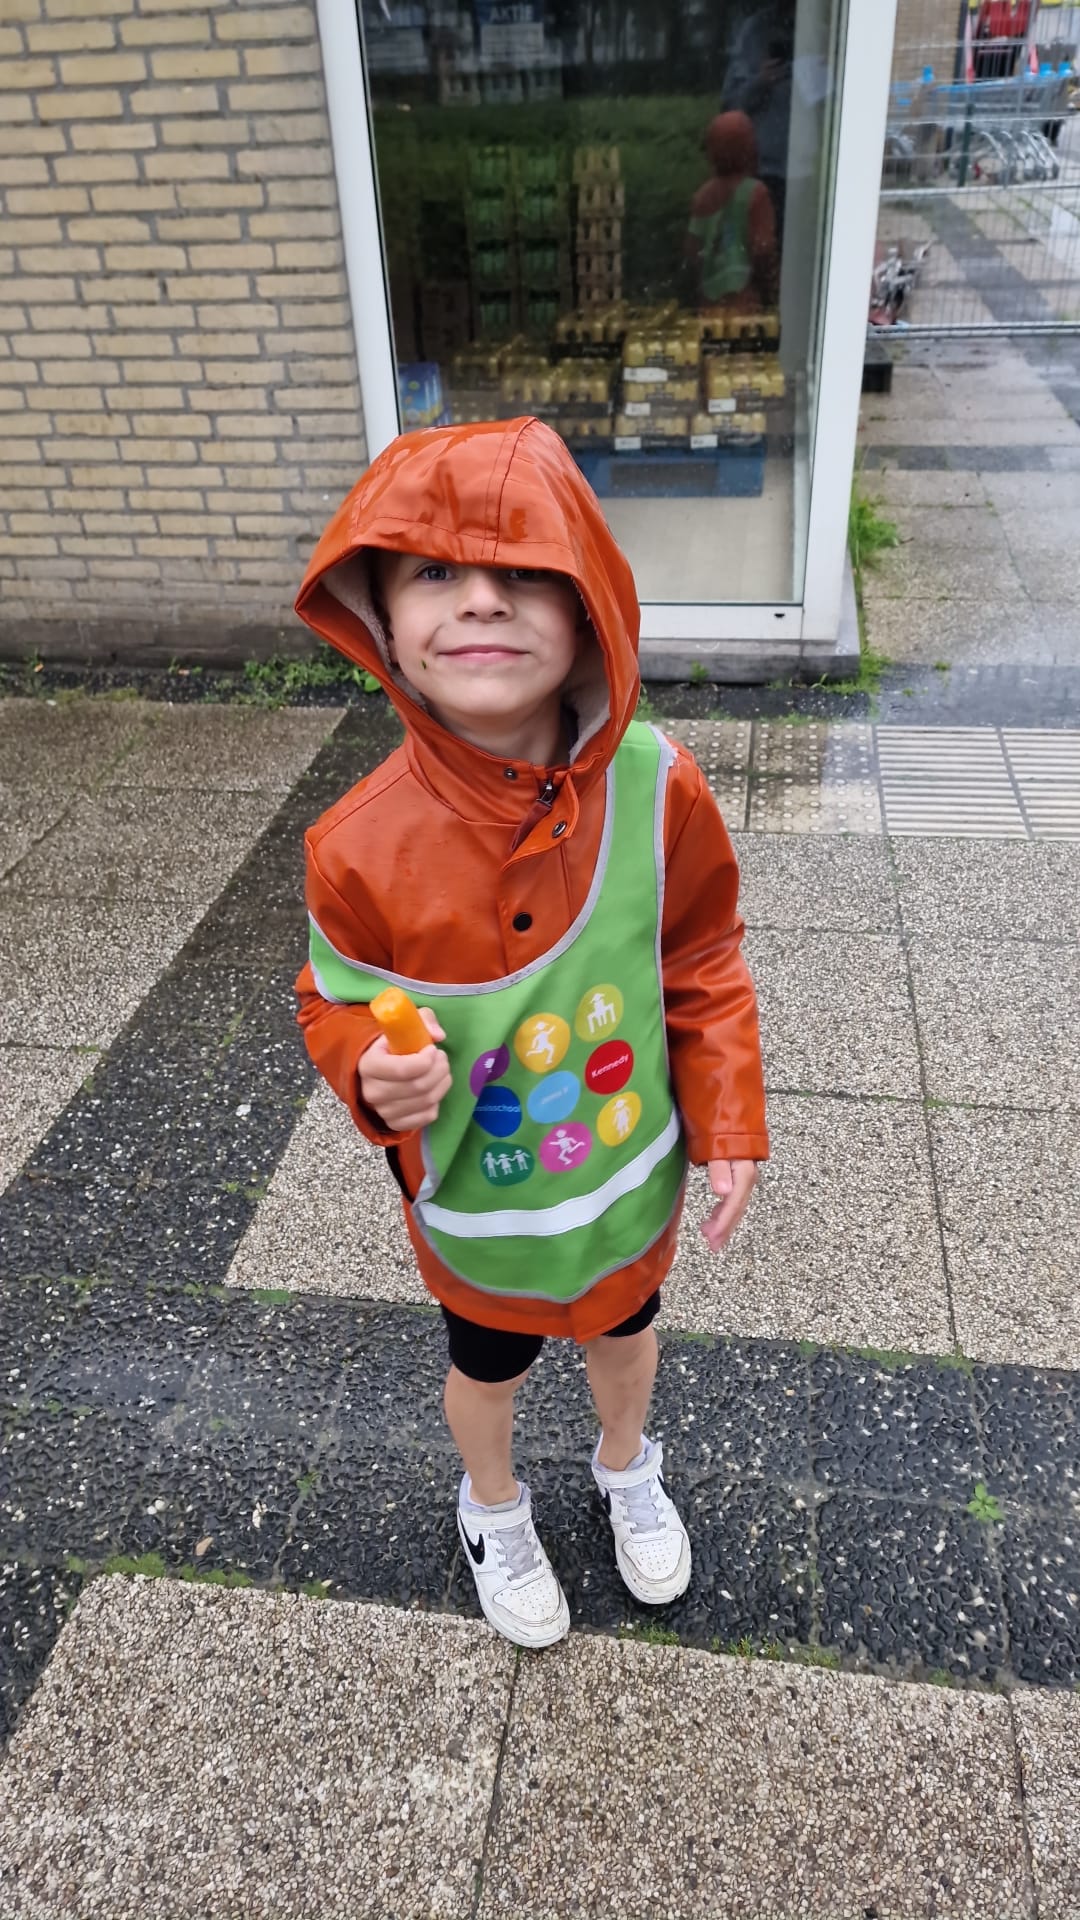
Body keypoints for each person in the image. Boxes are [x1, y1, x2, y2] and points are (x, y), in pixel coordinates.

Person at [293, 416, 768, 1649]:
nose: (479, 602)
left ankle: (625, 1465)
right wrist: (369, 1072)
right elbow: (329, 1000)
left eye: (523, 572)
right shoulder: (355, 847)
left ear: (590, 605)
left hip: (621, 1184)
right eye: (433, 573)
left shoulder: (659, 786)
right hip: (482, 1206)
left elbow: (701, 958)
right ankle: (492, 1504)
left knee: (627, 1335)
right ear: (380, 617)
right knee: (486, 1368)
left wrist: (728, 1117)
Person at [685, 110, 778, 315]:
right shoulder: (756, 193)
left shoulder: (702, 198)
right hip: (747, 307)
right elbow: (763, 250)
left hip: (708, 309)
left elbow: (693, 254)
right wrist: (772, 293)